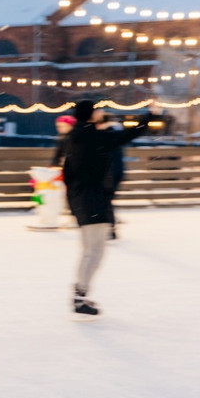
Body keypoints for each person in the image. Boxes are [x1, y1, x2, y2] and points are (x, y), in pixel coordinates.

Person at [62, 100, 152, 319]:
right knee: (95, 252)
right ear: (90, 114)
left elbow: (67, 173)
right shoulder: (92, 138)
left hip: (83, 199)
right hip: (92, 200)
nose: (101, 112)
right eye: (97, 109)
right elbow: (126, 137)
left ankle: (80, 294)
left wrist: (73, 201)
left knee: (89, 251)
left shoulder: (77, 136)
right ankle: (80, 297)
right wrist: (149, 116)